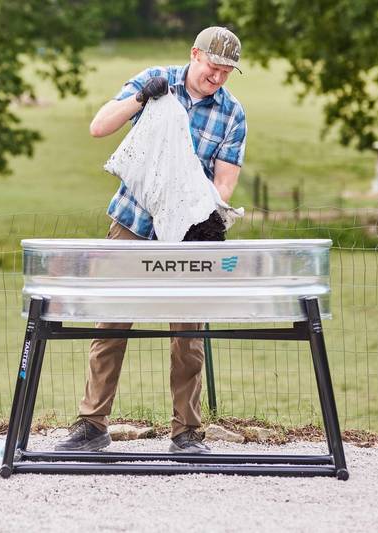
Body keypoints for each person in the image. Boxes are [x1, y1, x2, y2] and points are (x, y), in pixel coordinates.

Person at [55, 26, 247, 454]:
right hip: (132, 221)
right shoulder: (156, 81)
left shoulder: (232, 113)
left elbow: (225, 182)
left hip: (185, 234)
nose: (218, 78)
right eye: (214, 67)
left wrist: (203, 216)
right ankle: (92, 425)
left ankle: (187, 433)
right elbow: (99, 127)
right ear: (195, 54)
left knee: (188, 333)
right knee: (112, 323)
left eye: (227, 73)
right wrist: (141, 98)